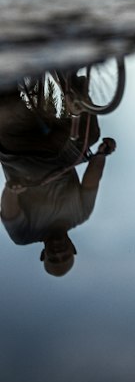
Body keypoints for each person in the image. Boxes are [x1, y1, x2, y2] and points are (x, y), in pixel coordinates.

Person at [0, 84, 115, 277]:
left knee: (8, 111)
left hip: (24, 161)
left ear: (44, 254)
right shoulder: (80, 214)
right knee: (91, 136)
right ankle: (75, 88)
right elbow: (91, 181)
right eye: (64, 256)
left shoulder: (24, 235)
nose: (58, 253)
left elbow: (10, 212)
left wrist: (12, 190)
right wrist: (102, 154)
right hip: (62, 156)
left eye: (53, 258)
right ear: (73, 249)